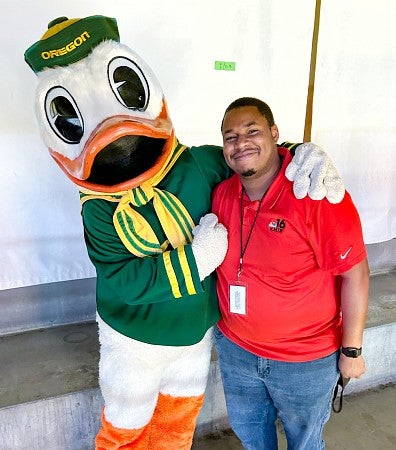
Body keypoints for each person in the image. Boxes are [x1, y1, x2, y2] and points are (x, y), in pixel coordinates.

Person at [24, 15, 345, 448]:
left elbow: (253, 161)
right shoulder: (98, 210)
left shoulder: (196, 164)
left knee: (178, 421)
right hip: (133, 339)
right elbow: (122, 279)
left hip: (195, 333)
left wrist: (303, 155)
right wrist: (196, 259)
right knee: (126, 425)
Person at [212, 97, 369, 450]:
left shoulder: (316, 194)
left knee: (304, 443)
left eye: (252, 131)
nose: (241, 143)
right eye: (230, 136)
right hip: (237, 349)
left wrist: (352, 350)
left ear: (274, 134)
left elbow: (355, 273)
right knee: (252, 438)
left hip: (304, 361)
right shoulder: (222, 193)